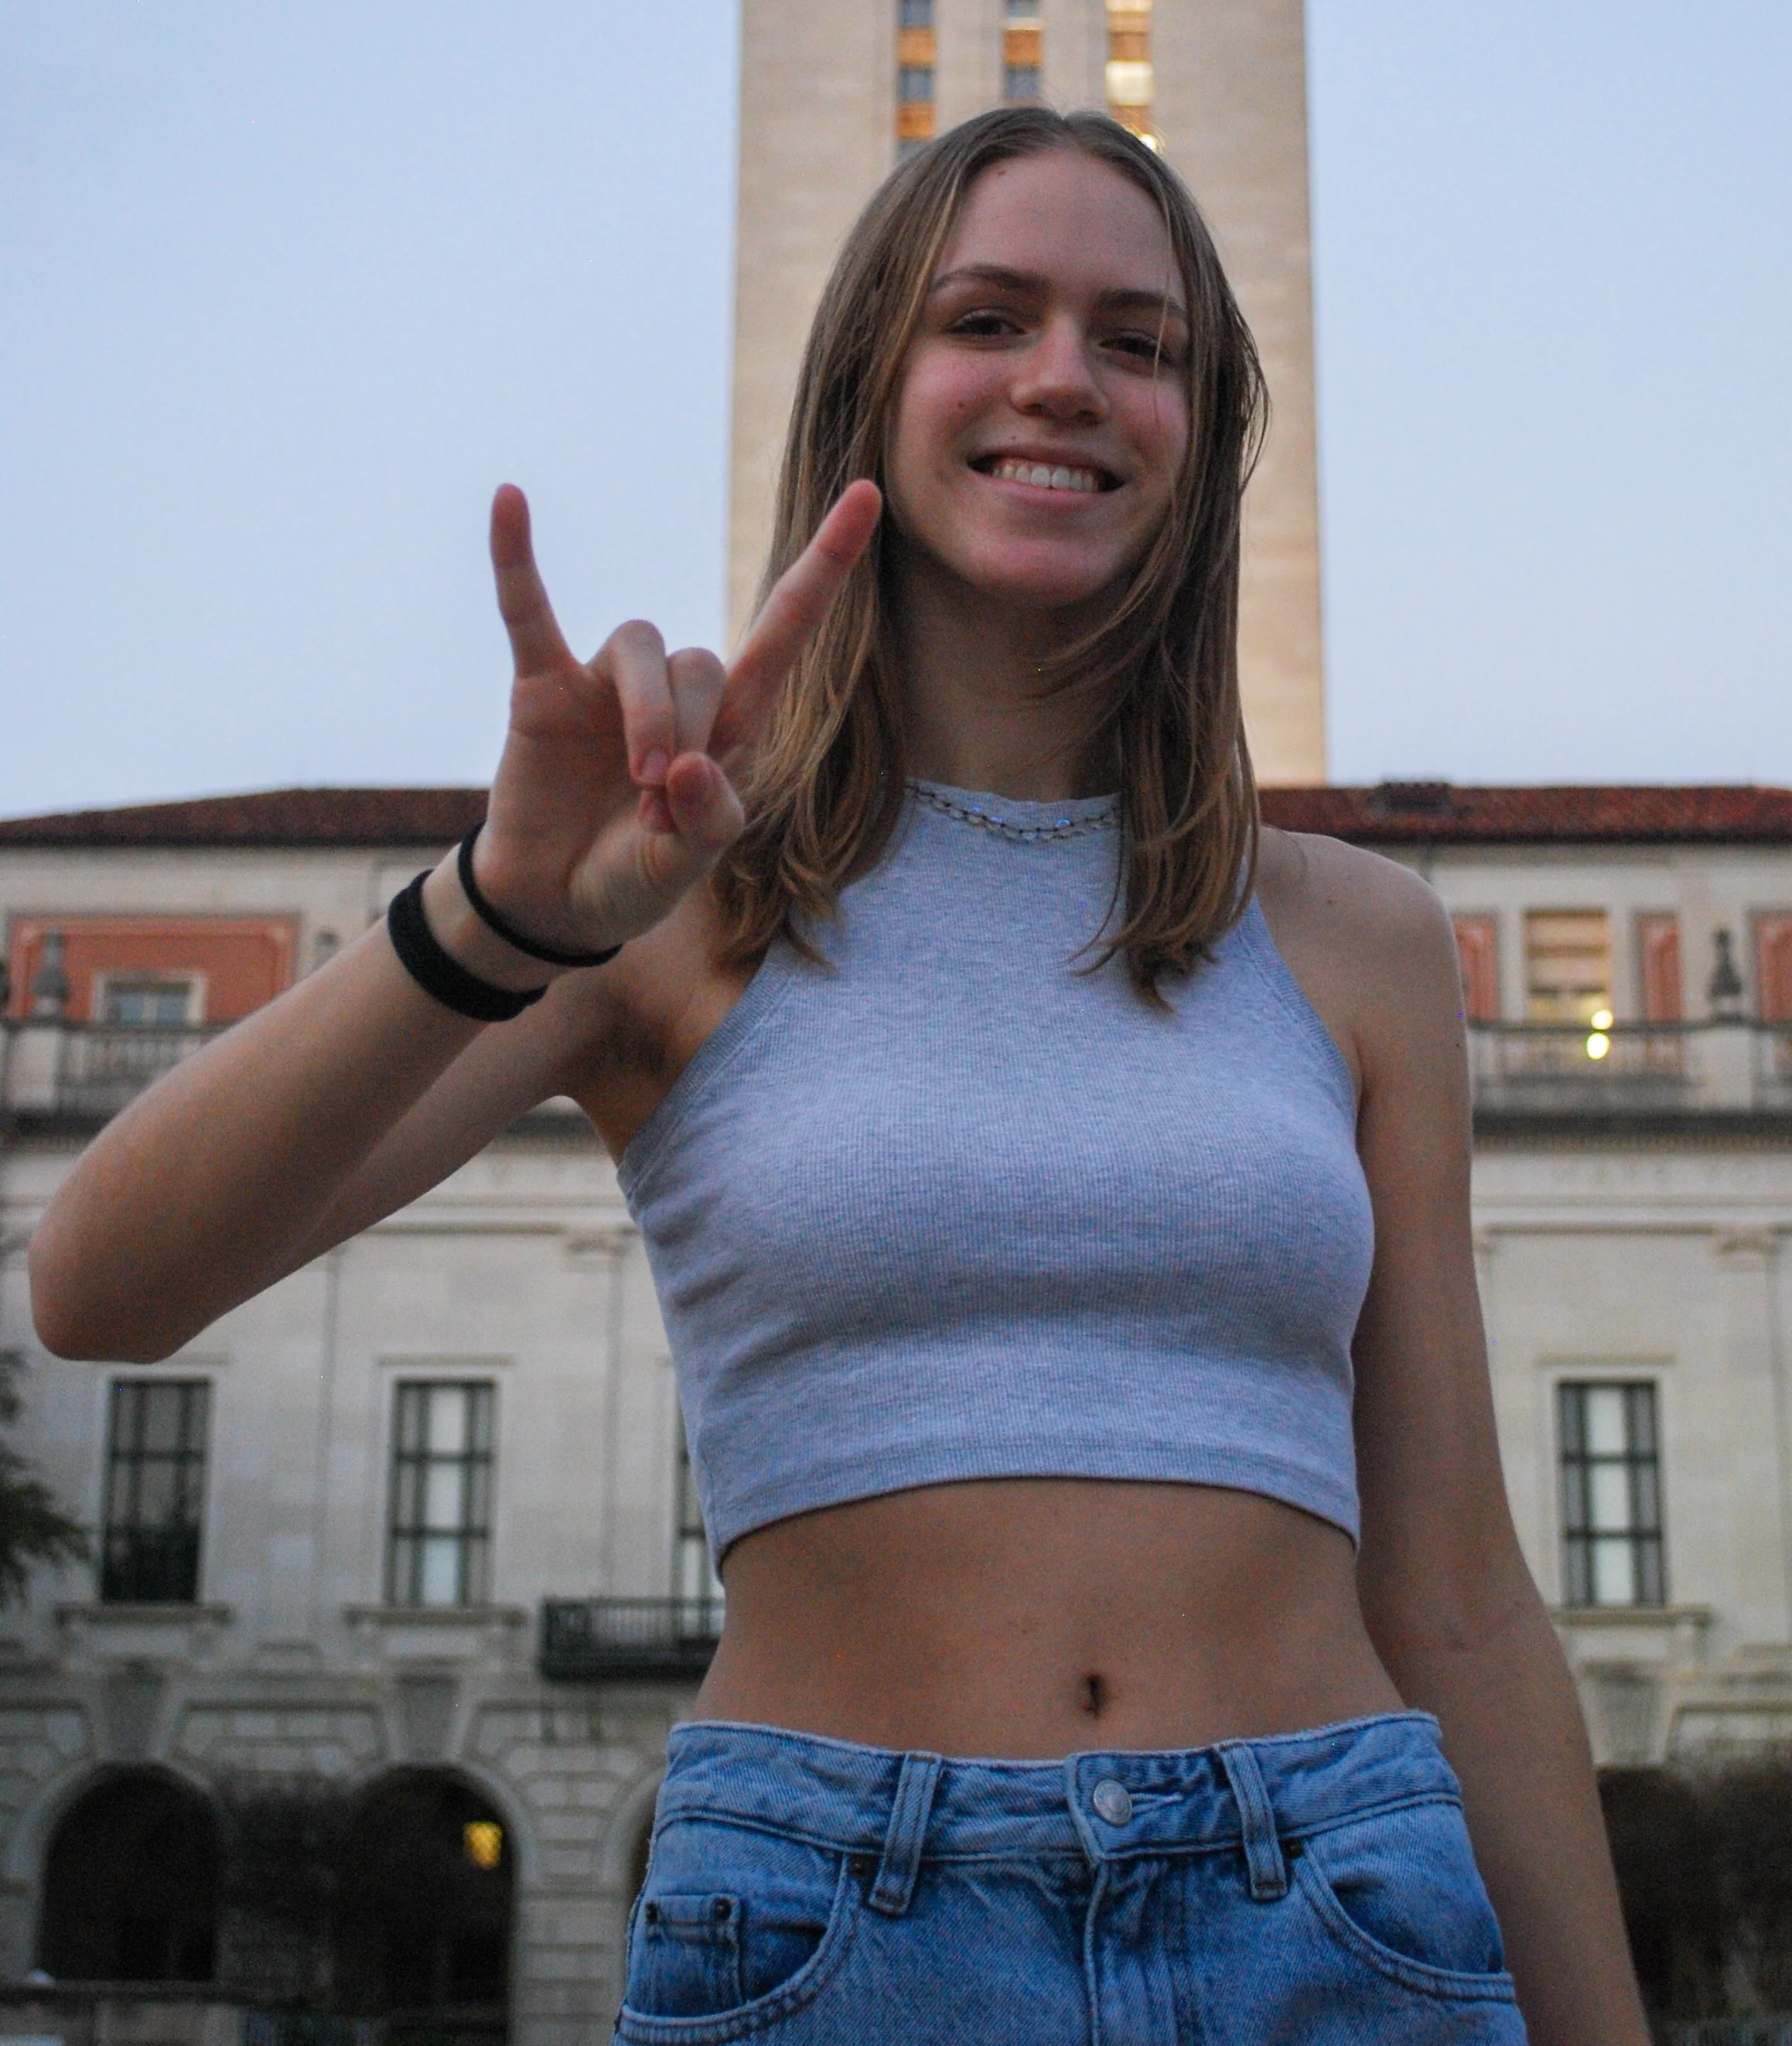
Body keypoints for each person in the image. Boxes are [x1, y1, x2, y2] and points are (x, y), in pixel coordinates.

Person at [33, 107, 1648, 2044]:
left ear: (1199, 441)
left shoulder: (1357, 940)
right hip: (834, 1924)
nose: (1062, 376)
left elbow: (1460, 1597)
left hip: (1330, 1906)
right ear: (868, 390)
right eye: (989, 317)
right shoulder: (660, 906)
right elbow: (100, 1286)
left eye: (1137, 341)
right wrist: (495, 908)